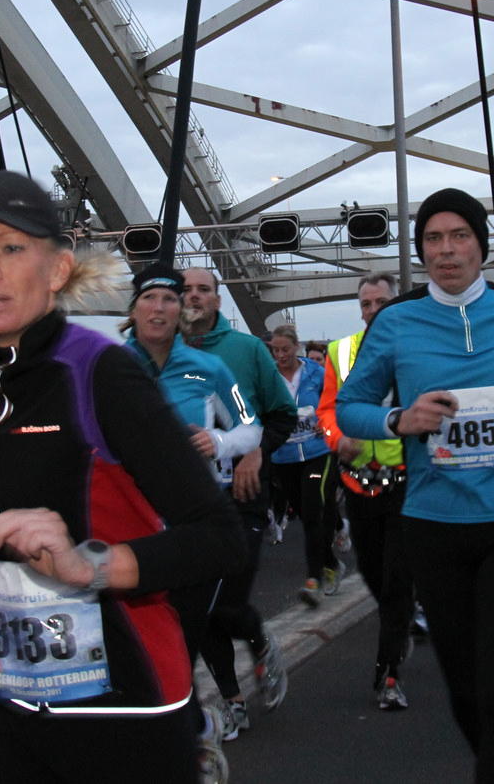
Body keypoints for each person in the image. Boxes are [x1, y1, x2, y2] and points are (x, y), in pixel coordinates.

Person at [0, 171, 245, 784]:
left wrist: (89, 567)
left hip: (119, 695)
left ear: (57, 270)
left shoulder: (99, 372)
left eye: (10, 248)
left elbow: (219, 537)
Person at [337, 188, 494, 784]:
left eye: (459, 236)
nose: (446, 250)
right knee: (465, 688)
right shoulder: (396, 323)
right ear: (422, 252)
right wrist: (400, 419)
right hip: (434, 523)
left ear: (480, 247)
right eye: (433, 239)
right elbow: (350, 407)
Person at [121, 263, 260, 764]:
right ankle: (189, 725)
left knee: (181, 634)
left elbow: (250, 425)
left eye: (169, 299)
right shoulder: (109, 368)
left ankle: (189, 733)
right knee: (135, 638)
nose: (159, 308)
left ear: (182, 310)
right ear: (133, 309)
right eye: (149, 298)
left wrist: (219, 442)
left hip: (195, 521)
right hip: (131, 522)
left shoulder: (209, 368)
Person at [180, 266, 295, 739]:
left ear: (218, 299)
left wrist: (255, 451)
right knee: (199, 607)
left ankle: (259, 639)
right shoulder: (158, 353)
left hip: (241, 494)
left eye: (202, 289)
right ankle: (232, 702)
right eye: (185, 289)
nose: (193, 297)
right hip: (187, 502)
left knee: (228, 603)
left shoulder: (247, 350)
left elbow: (282, 414)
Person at [318, 271, 416, 711]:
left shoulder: (417, 347)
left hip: (407, 482)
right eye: (366, 304)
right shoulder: (340, 352)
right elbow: (325, 411)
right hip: (358, 483)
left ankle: (388, 675)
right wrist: (338, 440)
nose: (373, 310)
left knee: (395, 580)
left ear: (396, 304)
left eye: (381, 302)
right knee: (376, 576)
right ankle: (400, 621)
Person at [266, 323, 341, 606]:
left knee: (311, 514)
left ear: (296, 347)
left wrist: (327, 422)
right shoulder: (269, 377)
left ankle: (313, 579)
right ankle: (332, 563)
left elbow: (336, 403)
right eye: (275, 350)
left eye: (285, 349)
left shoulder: (316, 374)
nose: (280, 355)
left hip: (316, 452)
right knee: (304, 512)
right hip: (284, 457)